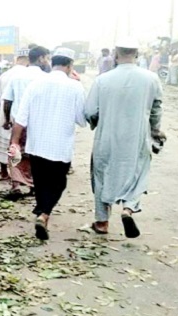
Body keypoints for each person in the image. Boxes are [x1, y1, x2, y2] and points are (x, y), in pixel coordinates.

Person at [86, 37, 164, 239]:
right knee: (137, 173)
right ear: (137, 54)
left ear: (116, 54)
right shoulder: (151, 79)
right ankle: (128, 209)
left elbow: (90, 111)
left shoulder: (103, 79)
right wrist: (155, 129)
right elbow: (156, 109)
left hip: (107, 137)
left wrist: (98, 121)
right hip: (137, 137)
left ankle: (102, 222)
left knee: (102, 175)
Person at [9, 48, 86, 241]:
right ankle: (44, 214)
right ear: (69, 66)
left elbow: (21, 117)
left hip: (37, 145)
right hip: (60, 146)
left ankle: (41, 211)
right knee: (58, 183)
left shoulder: (35, 84)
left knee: (41, 182)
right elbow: (81, 119)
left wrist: (15, 143)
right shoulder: (75, 87)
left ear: (52, 63)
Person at [2, 46, 51, 195]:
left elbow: (8, 100)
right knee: (35, 154)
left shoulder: (17, 77)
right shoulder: (45, 78)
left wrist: (7, 119)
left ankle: (16, 185)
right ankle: (33, 185)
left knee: (15, 151)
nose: (48, 61)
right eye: (47, 58)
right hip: (39, 123)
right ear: (41, 58)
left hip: (19, 121)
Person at [0, 49, 29, 180]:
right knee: (20, 145)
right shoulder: (28, 75)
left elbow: (1, 96)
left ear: (16, 59)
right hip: (21, 115)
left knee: (4, 142)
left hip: (6, 113)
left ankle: (4, 172)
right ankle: (20, 175)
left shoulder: (6, 75)